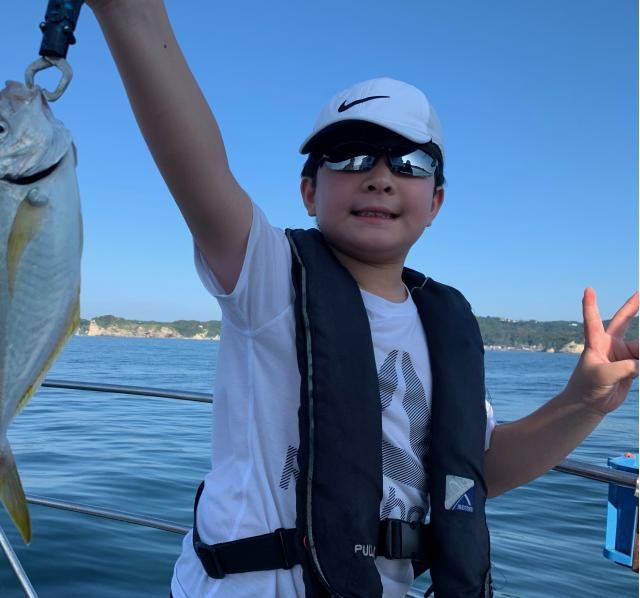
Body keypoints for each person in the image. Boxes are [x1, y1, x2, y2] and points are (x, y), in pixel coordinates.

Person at [85, 2, 639, 597]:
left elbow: (477, 472)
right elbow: (196, 163)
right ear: (308, 191)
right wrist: (130, 14)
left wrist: (582, 403)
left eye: (411, 160)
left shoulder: (446, 325)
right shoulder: (269, 276)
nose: (380, 174)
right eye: (349, 154)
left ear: (436, 202)